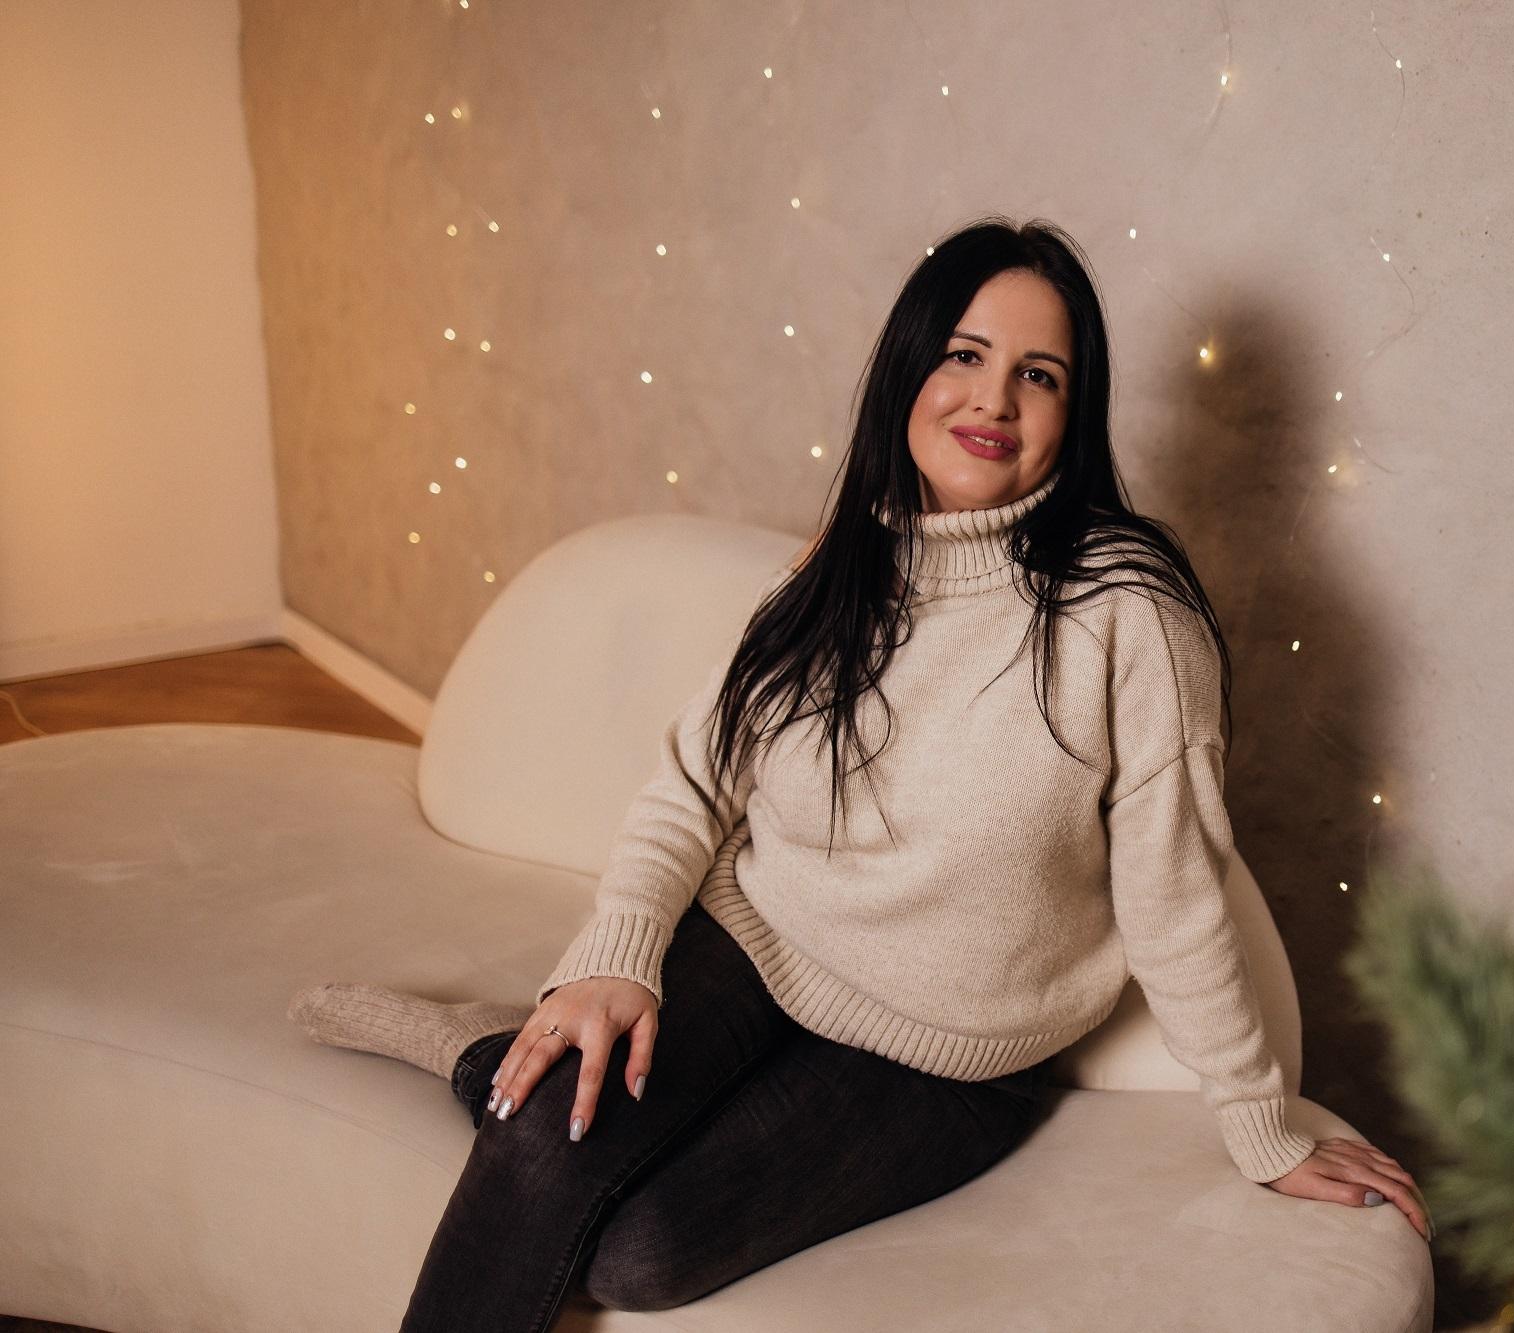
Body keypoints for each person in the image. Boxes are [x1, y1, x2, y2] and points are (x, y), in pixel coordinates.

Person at [287, 215, 1430, 1331]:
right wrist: (614, 956)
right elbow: (695, 781)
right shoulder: (839, 563)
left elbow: (1172, 894)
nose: (992, 400)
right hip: (756, 941)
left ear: (1072, 415)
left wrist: (1261, 1124)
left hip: (941, 1062)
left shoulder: (1128, 616)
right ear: (907, 370)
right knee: (546, 1134)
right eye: (963, 355)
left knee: (640, 1251)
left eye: (1037, 375)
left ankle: (490, 1063)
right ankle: (507, 1072)